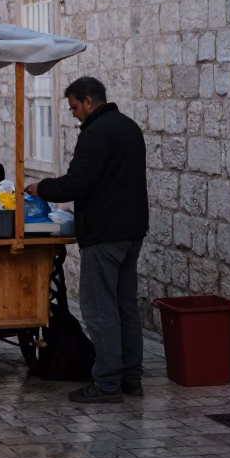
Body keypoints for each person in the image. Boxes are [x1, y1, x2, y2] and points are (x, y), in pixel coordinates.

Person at [26, 76, 149, 404]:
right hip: (131, 232)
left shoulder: (96, 133)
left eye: (74, 107)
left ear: (89, 101)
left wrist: (42, 188)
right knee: (125, 306)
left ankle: (107, 383)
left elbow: (76, 184)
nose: (75, 114)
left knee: (98, 309)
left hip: (105, 233)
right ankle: (131, 378)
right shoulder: (129, 128)